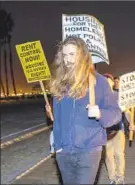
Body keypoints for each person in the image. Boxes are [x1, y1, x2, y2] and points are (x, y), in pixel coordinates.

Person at [46, 36, 122, 184]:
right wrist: (57, 147)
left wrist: (100, 113)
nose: (68, 59)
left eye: (72, 54)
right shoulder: (59, 85)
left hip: (89, 151)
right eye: (65, 55)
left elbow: (116, 113)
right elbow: (59, 121)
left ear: (82, 55)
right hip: (64, 152)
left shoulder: (99, 82)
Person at [103, 74, 131, 184]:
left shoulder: (119, 96)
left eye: (108, 81)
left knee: (119, 154)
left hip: (118, 130)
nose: (106, 83)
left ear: (112, 83)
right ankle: (112, 178)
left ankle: (120, 176)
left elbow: (127, 112)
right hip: (104, 133)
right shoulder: (98, 98)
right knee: (108, 157)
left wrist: (131, 122)